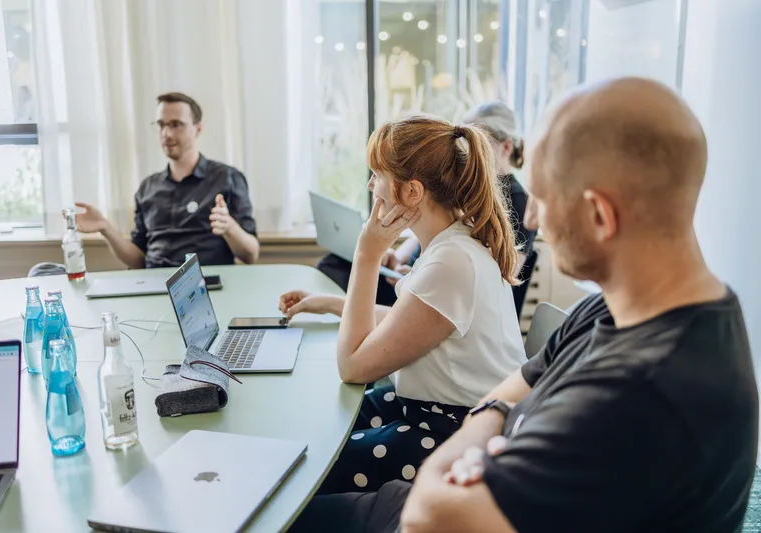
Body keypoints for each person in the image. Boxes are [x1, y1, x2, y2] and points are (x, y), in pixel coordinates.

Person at [289, 77, 758, 533]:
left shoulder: (642, 393)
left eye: (543, 199)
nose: (532, 219)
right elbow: (510, 388)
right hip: (471, 482)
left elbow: (430, 518)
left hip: (437, 505)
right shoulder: (611, 312)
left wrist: (485, 431)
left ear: (599, 214)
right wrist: (493, 418)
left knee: (286, 509)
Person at [279, 116, 526, 495]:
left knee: (307, 467)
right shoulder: (451, 243)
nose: (370, 185)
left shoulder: (450, 261)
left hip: (452, 430)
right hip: (434, 409)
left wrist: (367, 255)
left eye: (377, 175)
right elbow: (411, 325)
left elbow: (352, 368)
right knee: (314, 425)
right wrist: (332, 304)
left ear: (412, 192)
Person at [316, 101, 537, 306]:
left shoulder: (516, 201)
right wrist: (398, 257)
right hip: (420, 274)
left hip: (432, 281)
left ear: (506, 148)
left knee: (338, 272)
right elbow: (430, 228)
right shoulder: (462, 188)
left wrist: (417, 276)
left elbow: (502, 273)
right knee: (335, 263)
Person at [73, 92, 259, 268]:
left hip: (204, 286)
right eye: (162, 125)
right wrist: (105, 228)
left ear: (197, 129)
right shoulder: (148, 188)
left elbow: (251, 255)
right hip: (155, 285)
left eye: (176, 124)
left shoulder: (226, 178)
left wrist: (230, 228)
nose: (167, 134)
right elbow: (138, 260)